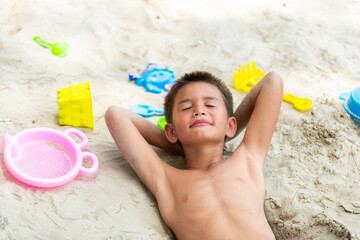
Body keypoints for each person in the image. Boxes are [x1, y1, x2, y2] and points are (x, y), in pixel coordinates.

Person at [105, 70, 283, 240]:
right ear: (171, 131)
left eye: (210, 105)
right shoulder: (165, 180)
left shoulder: (247, 159)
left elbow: (272, 81)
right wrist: (176, 144)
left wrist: (227, 133)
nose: (199, 110)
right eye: (186, 107)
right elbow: (116, 115)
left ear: (230, 125)